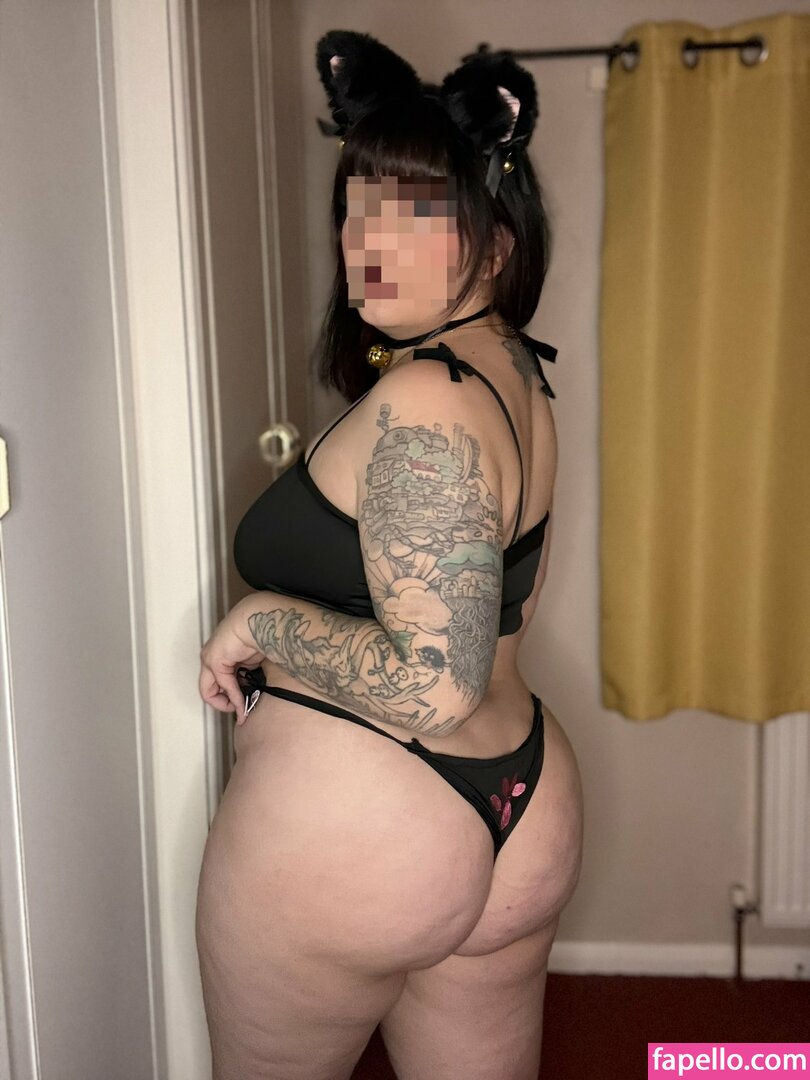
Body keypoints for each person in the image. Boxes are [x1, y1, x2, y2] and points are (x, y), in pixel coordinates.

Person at [195, 29, 584, 1080]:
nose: (367, 238)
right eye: (357, 206)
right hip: (524, 802)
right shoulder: (519, 377)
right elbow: (506, 607)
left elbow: (433, 687)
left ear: (497, 244)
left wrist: (257, 622)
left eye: (413, 213)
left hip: (371, 822)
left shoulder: (425, 398)